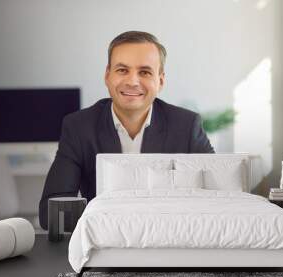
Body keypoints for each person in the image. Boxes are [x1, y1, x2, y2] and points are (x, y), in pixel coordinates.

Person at [39, 31, 214, 230]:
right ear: (107, 75)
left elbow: (219, 200)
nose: (132, 81)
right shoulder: (79, 127)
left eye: (145, 72)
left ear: (161, 81)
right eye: (122, 70)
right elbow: (51, 212)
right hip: (104, 248)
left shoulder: (186, 125)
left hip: (169, 244)